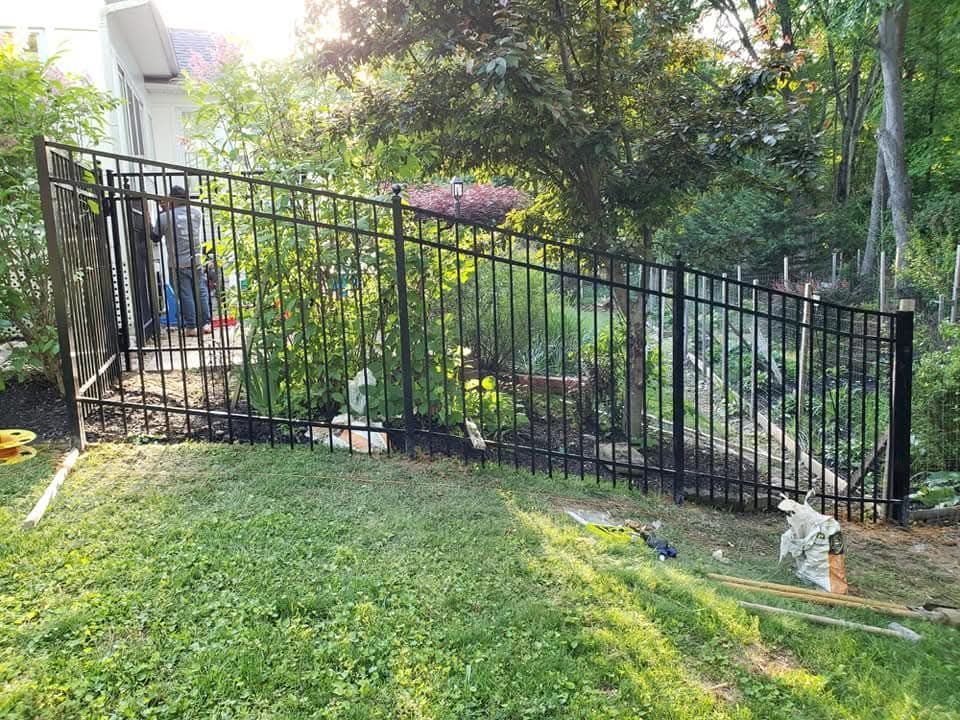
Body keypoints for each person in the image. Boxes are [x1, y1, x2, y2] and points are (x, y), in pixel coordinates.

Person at [151, 185, 211, 336]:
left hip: (178, 263)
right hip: (197, 260)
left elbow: (155, 236)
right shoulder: (197, 213)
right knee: (201, 292)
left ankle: (191, 327)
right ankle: (206, 324)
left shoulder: (165, 217)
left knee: (186, 295)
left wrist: (160, 212)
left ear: (172, 199)